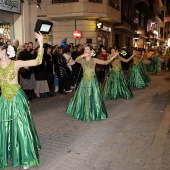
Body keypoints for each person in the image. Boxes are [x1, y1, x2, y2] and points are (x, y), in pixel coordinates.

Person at [0, 32, 44, 169]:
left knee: (20, 126)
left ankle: (25, 156)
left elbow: (37, 61)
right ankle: (7, 152)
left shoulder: (16, 64)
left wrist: (41, 43)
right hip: (4, 100)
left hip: (17, 99)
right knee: (5, 128)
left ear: (3, 51)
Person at [66, 45, 118, 122]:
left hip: (92, 80)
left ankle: (94, 111)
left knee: (94, 96)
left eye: (88, 49)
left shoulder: (94, 60)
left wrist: (113, 57)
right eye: (85, 49)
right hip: (84, 81)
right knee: (83, 96)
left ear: (90, 51)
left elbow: (105, 62)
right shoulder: (82, 60)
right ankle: (83, 112)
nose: (86, 50)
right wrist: (83, 55)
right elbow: (76, 60)